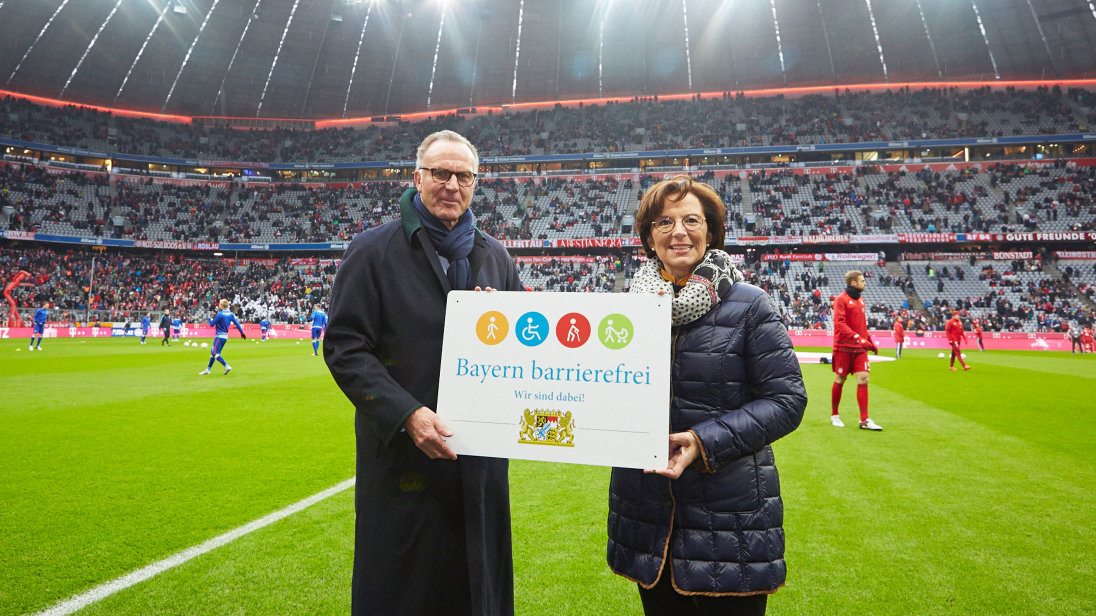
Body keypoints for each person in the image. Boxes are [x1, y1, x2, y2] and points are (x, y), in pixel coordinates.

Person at [324, 130, 524, 616]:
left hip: (478, 464)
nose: (452, 184)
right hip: (401, 463)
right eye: (441, 173)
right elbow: (345, 347)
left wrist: (511, 324)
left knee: (477, 588)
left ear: (476, 184)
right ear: (418, 178)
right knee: (401, 590)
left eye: (464, 176)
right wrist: (408, 414)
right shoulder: (372, 251)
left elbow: (526, 350)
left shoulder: (495, 256)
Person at [606, 175, 806, 615]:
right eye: (664, 222)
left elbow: (787, 401)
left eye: (691, 220)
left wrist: (702, 441)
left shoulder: (751, 304)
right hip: (647, 517)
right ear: (648, 237)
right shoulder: (625, 310)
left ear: (711, 231)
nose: (678, 231)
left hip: (732, 521)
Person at [831, 270, 883, 431]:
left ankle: (864, 420)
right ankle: (835, 415)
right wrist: (857, 338)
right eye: (862, 280)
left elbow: (862, 326)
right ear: (853, 283)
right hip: (843, 346)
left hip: (859, 348)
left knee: (864, 379)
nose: (864, 283)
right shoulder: (841, 300)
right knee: (840, 379)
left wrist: (869, 341)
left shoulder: (861, 300)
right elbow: (840, 324)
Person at [199, 299, 245, 375]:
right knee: (213, 353)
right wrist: (242, 333)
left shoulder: (220, 314)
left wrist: (209, 319)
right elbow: (237, 324)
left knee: (216, 354)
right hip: (225, 336)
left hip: (219, 336)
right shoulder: (231, 314)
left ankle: (227, 366)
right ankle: (208, 370)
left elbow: (211, 324)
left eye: (219, 304)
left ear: (222, 305)